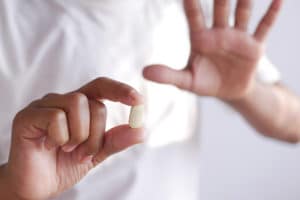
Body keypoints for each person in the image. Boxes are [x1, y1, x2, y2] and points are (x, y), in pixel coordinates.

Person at [0, 0, 299, 199]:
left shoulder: (193, 9)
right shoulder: (10, 18)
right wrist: (12, 187)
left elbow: (293, 124)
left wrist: (246, 91)